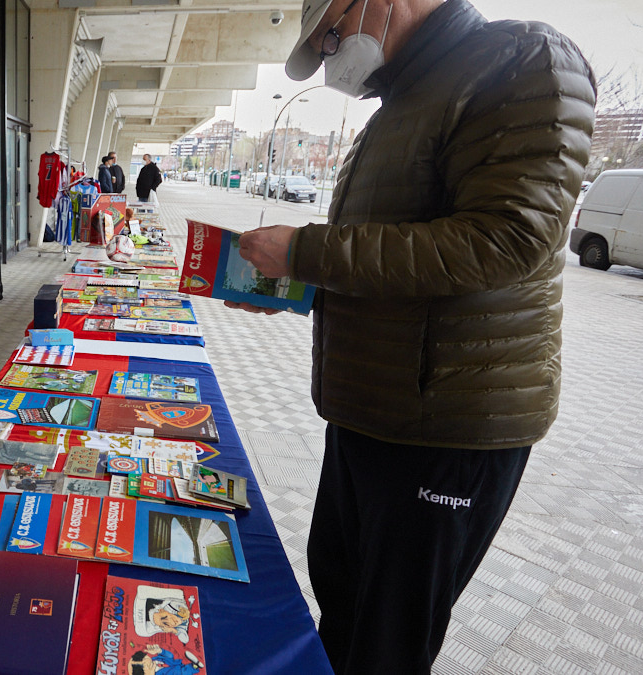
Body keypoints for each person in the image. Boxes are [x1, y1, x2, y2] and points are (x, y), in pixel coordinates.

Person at [228, 1, 595, 672]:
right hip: (372, 408)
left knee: (387, 638)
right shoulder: (399, 100)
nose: (334, 53)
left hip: (443, 426)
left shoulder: (523, 62)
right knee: (341, 594)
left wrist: (307, 255)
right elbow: (398, 260)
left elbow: (504, 240)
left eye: (332, 34)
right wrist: (297, 287)